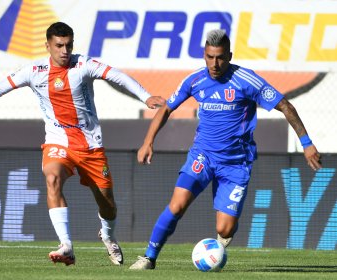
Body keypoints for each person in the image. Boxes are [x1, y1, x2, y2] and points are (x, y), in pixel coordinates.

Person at [0, 22, 165, 266]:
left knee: (107, 204)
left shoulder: (84, 65)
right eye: (59, 45)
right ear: (47, 45)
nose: (64, 50)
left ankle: (108, 234)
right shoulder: (34, 70)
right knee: (52, 178)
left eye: (68, 45)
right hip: (58, 142)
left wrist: (145, 96)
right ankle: (67, 245)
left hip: (91, 146)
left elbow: (117, 76)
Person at [129, 29, 322, 270]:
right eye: (210, 57)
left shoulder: (246, 80)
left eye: (220, 57)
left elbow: (284, 105)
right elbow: (167, 108)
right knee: (177, 205)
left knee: (224, 228)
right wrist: (148, 142)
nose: (215, 63)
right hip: (203, 155)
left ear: (229, 56)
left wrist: (306, 143)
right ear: (204, 55)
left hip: (235, 163)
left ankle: (222, 235)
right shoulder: (195, 80)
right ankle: (148, 258)